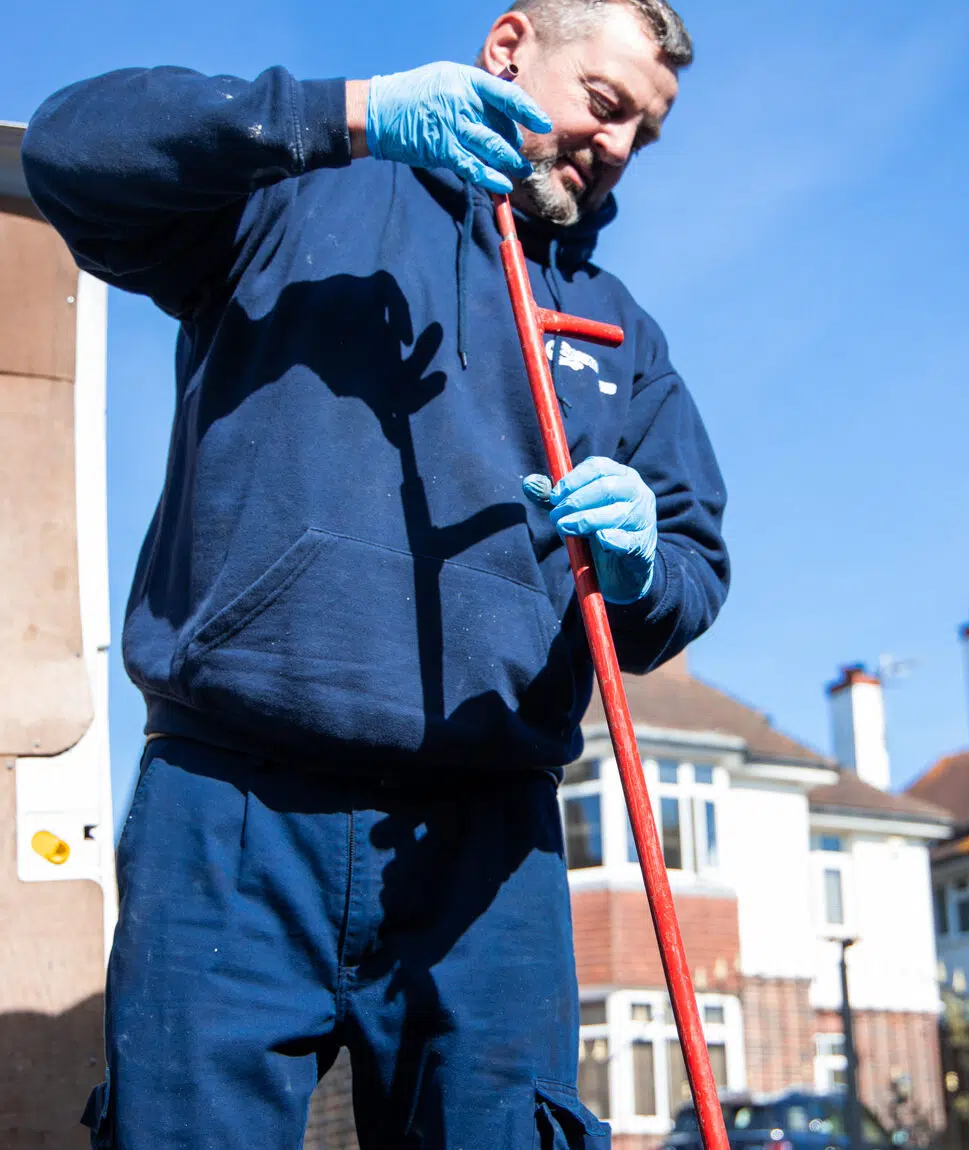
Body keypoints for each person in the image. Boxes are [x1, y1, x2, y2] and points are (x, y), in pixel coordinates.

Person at [22, 0, 729, 1145]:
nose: (617, 150)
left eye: (643, 135)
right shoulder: (293, 194)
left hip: (486, 849)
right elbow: (69, 148)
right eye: (604, 106)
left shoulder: (619, 336)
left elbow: (693, 566)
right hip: (234, 810)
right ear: (507, 49)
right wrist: (346, 117)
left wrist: (647, 564)